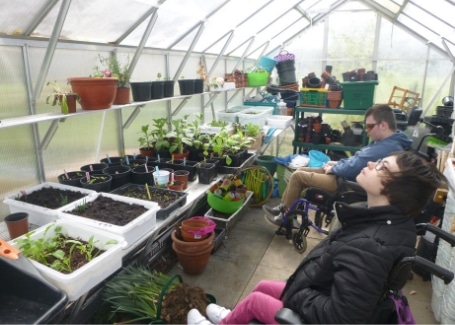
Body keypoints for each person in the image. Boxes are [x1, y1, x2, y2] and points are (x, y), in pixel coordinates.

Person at [187, 151, 446, 325]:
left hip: (316, 312)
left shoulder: (372, 246)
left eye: (381, 166)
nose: (370, 164)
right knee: (265, 286)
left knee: (257, 300)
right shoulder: (386, 221)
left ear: (397, 189)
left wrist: (297, 294)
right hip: (321, 291)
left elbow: (342, 317)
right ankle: (235, 317)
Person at [263, 103, 412, 225]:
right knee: (301, 169)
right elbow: (358, 160)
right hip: (346, 175)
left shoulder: (385, 147)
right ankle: (285, 208)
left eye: (369, 127)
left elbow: (354, 166)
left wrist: (335, 167)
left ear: (383, 125)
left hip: (348, 184)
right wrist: (337, 163)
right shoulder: (389, 141)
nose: (367, 132)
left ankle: (286, 218)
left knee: (298, 176)